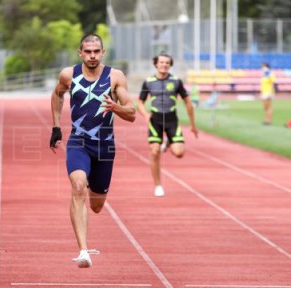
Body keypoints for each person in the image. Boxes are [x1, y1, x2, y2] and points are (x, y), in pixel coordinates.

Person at [50, 34, 136, 268]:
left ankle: (90, 181)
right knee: (77, 186)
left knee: (96, 206)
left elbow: (132, 112)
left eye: (96, 51)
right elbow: (57, 94)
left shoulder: (115, 77)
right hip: (78, 141)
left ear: (102, 52)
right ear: (80, 53)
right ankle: (83, 251)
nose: (92, 56)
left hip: (105, 146)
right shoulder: (69, 75)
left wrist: (115, 106)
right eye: (88, 51)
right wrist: (56, 126)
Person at [137, 52, 198, 197]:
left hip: (172, 121)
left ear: (170, 65)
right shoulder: (148, 82)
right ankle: (158, 185)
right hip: (155, 121)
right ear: (156, 64)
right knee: (154, 151)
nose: (164, 65)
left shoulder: (177, 81)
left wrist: (193, 125)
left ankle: (169, 142)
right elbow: (140, 102)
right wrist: (145, 115)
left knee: (179, 153)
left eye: (167, 63)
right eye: (161, 62)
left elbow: (187, 102)